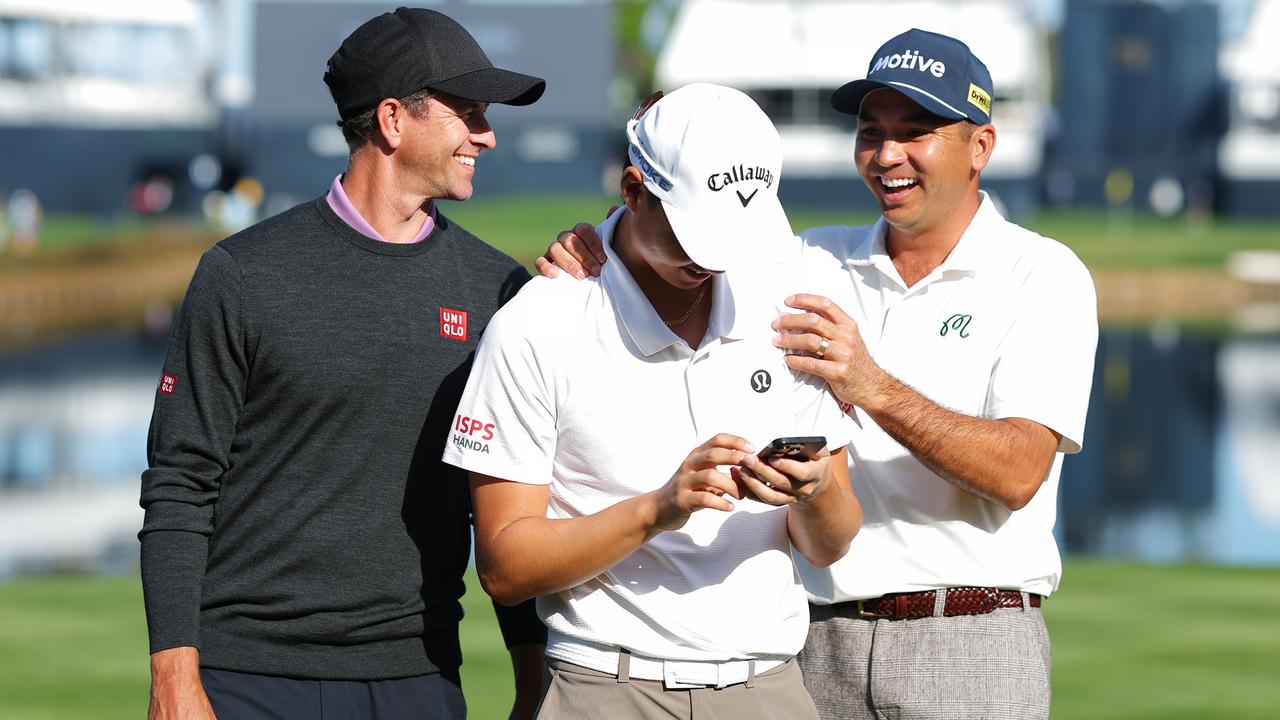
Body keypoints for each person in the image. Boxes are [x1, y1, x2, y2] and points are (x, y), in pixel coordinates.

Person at [537, 29, 1098, 720]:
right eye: (871, 132)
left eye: (915, 131)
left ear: (980, 146)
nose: (887, 155)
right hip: (814, 638)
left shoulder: (1041, 274)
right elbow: (675, 231)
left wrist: (873, 385)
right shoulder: (806, 262)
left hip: (971, 637)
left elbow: (1018, 471)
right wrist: (594, 247)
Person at [139, 8, 548, 719]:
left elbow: (504, 501)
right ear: (393, 119)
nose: (485, 134)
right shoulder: (242, 274)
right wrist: (175, 680)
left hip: (417, 677)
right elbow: (180, 483)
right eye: (468, 112)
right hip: (247, 678)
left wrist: (531, 673)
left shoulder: (498, 291)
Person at [442, 83, 862, 720]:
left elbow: (830, 543)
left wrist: (817, 491)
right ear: (633, 190)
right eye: (700, 232)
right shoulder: (538, 324)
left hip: (769, 687)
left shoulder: (791, 309)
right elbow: (504, 565)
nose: (717, 259)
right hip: (604, 685)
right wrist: (659, 508)